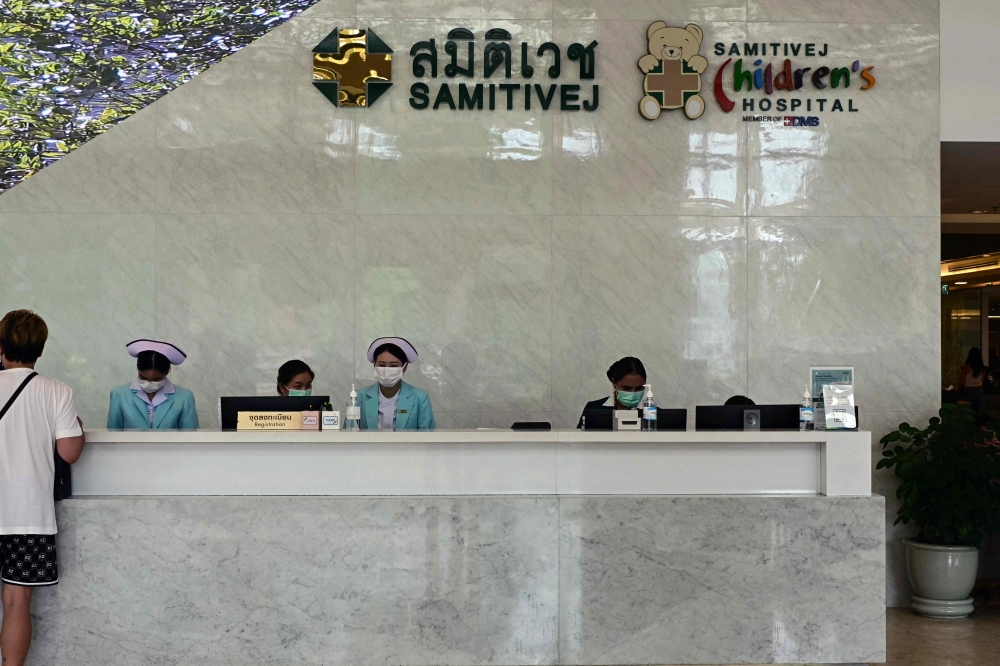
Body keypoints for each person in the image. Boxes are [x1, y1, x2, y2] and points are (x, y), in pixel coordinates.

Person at [0, 310, 86, 666]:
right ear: (40, 349)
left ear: (0, 347)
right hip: (28, 516)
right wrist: (76, 428)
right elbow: (69, 452)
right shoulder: (57, 391)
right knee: (16, 603)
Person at [107, 339, 199, 430]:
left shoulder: (184, 397)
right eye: (143, 377)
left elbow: (190, 435)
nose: (149, 383)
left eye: (156, 379)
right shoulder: (119, 394)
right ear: (138, 370)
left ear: (166, 372)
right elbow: (112, 433)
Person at [358, 337, 435, 431]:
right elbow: (349, 432)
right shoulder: (359, 397)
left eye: (393, 366)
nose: (387, 370)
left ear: (404, 367)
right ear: (374, 365)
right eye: (382, 365)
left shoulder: (420, 397)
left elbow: (427, 434)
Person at [577, 356, 647, 428]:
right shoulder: (593, 408)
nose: (633, 393)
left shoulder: (651, 413)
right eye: (626, 388)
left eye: (639, 388)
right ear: (614, 383)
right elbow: (578, 434)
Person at [959, 346, 987, 412]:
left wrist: (959, 391)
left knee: (967, 411)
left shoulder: (966, 367)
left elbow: (962, 380)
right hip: (979, 390)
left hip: (968, 390)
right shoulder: (982, 368)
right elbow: (982, 380)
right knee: (977, 410)